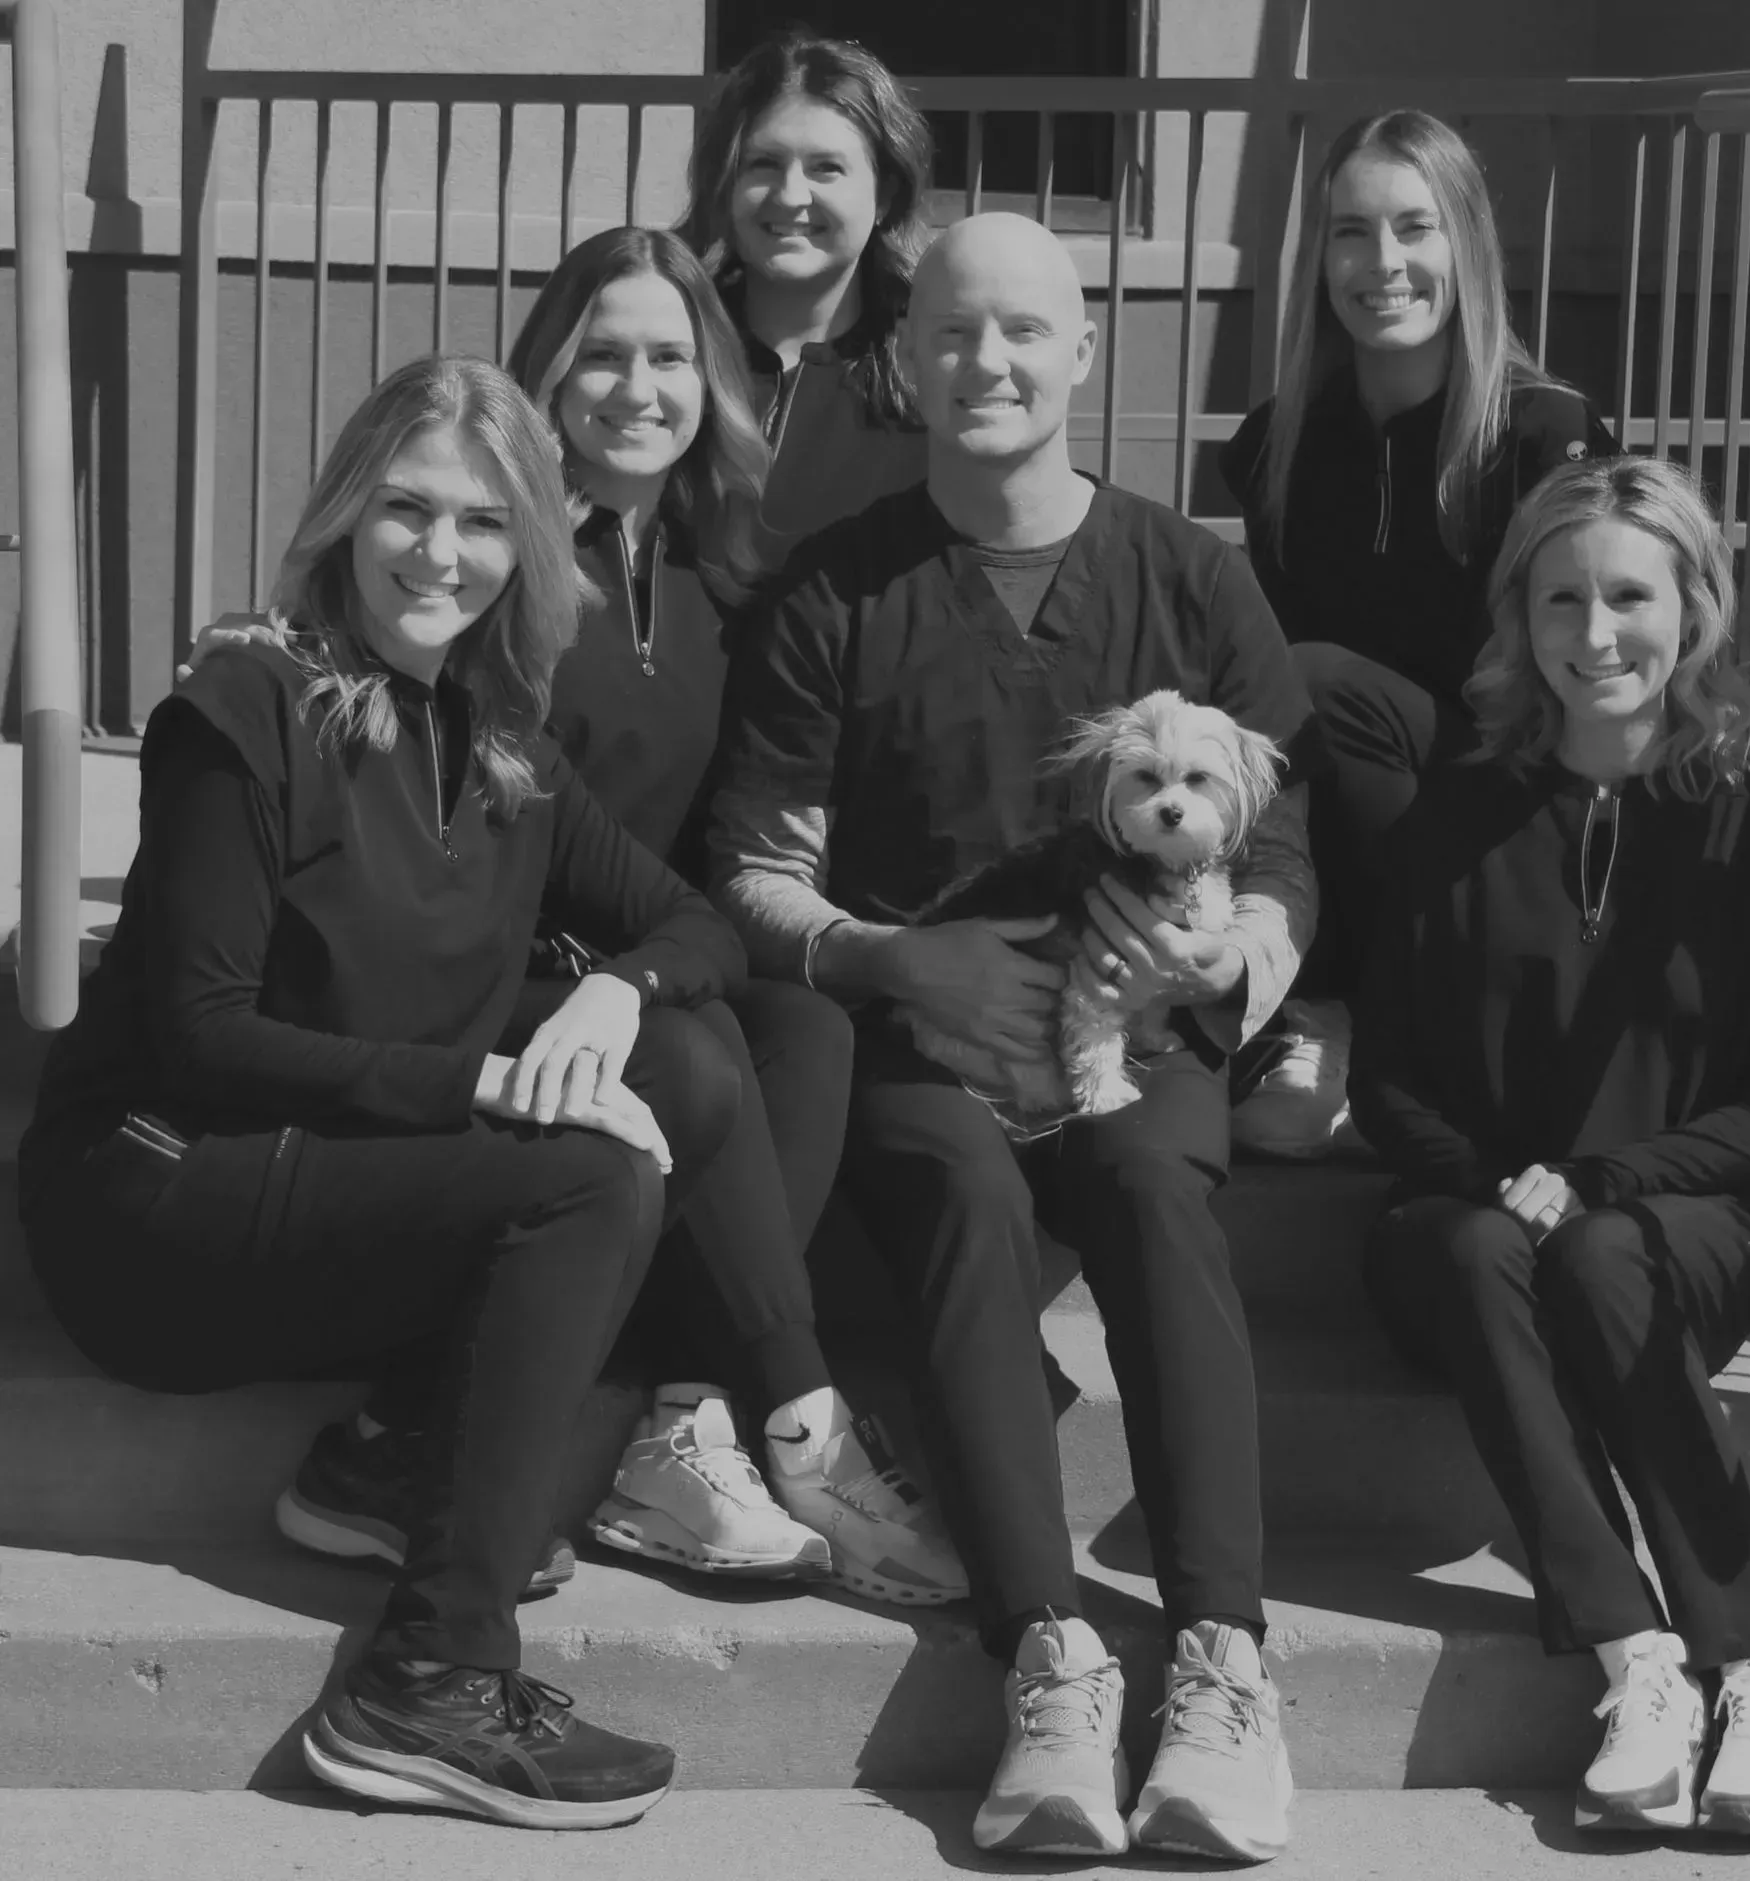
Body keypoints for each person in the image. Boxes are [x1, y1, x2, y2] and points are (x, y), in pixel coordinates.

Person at [16, 355, 750, 1827]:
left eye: (481, 522)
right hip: (160, 1192)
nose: (438, 550)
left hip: (332, 1192)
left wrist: (614, 989)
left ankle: (396, 1452)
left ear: (526, 547)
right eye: (405, 508)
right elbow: (203, 1036)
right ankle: (431, 1676)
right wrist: (500, 1079)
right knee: (589, 1167)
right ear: (347, 514)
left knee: (670, 1071)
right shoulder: (243, 706)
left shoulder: (508, 750)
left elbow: (701, 924)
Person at [709, 212, 1320, 1864]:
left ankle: (1220, 1658)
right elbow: (759, 866)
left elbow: (1279, 843)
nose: (989, 362)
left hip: (1137, 1029)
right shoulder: (834, 588)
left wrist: (1220, 964)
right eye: (955, 334)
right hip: (927, 1048)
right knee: (964, 1199)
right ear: (907, 359)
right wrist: (889, 960)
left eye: (1024, 333)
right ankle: (1048, 1655)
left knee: (1150, 1187)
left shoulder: (1192, 578)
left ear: (1082, 353)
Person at [1351, 456, 1750, 1839]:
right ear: (1520, 616)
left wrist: (1599, 1179)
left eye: (1629, 596)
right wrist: (1494, 1180)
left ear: (1693, 607)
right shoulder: (1450, 822)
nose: (1595, 634)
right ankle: (1641, 1660)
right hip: (1469, 1228)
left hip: (1676, 1232)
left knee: (1598, 1255)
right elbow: (1388, 1077)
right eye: (1561, 597)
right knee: (1473, 1249)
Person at [504, 223, 963, 1604]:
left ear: (714, 378)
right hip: (510, 972)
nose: (637, 388)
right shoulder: (505, 557)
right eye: (601, 355)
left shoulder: (726, 570)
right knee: (703, 1059)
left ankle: (688, 1415)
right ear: (548, 374)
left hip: (658, 958)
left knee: (807, 1034)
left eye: (669, 357)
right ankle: (803, 1421)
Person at [1220, 110, 1614, 995]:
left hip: (1514, 794)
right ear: (1320, 261)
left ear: (1466, 246)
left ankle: (1398, 1019)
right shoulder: (1274, 447)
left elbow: (1593, 661)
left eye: (1414, 227)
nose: (1383, 264)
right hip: (1345, 810)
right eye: (1351, 233)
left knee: (1319, 682)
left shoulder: (1547, 436)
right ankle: (1316, 1015)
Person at [681, 28, 932, 571]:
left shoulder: (931, 372)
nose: (791, 196)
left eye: (826, 168)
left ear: (885, 193)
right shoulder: (665, 354)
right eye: (763, 164)